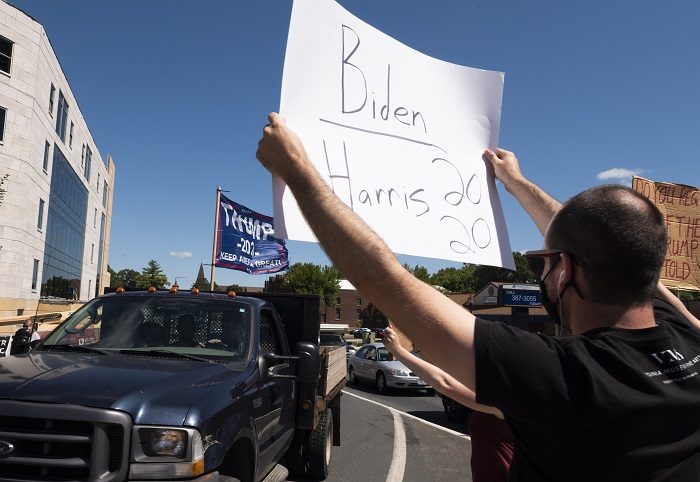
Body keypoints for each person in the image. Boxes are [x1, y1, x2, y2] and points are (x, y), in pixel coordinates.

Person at [256, 113, 700, 480]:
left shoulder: (560, 376)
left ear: (566, 270)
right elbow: (606, 236)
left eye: (540, 263)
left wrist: (297, 170)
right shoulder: (687, 336)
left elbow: (381, 278)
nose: (541, 273)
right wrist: (516, 182)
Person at [382, 325, 513, 482]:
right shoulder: (508, 396)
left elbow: (443, 382)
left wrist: (398, 351)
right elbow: (447, 372)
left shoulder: (508, 401)